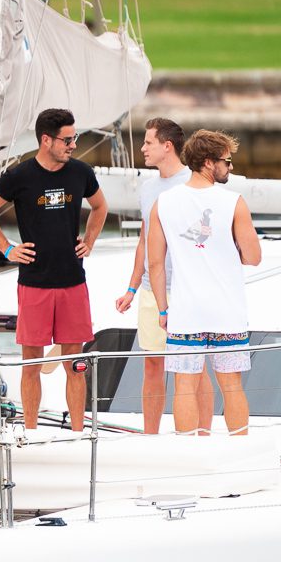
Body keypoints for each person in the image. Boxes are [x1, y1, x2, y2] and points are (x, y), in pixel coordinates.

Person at [0, 107, 107, 432]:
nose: (73, 145)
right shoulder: (21, 176)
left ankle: (78, 434)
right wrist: (7, 248)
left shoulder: (80, 172)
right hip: (33, 282)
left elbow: (100, 206)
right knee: (31, 364)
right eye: (67, 140)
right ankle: (30, 433)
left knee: (74, 364)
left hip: (73, 281)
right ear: (46, 140)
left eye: (74, 139)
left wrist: (89, 240)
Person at [148, 130, 263, 437]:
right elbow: (253, 257)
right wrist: (228, 248)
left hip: (186, 310)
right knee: (231, 385)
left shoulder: (164, 203)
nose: (230, 167)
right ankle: (240, 451)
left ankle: (189, 459)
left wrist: (162, 309)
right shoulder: (234, 203)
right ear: (209, 163)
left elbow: (156, 264)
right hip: (227, 309)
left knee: (185, 385)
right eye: (227, 161)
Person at [112, 118, 193, 435]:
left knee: (190, 369)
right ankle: (151, 437)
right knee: (153, 364)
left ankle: (192, 436)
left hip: (185, 290)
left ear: (167, 146)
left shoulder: (192, 184)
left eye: (148, 142)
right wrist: (132, 287)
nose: (142, 148)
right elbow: (144, 241)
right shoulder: (148, 189)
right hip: (149, 290)